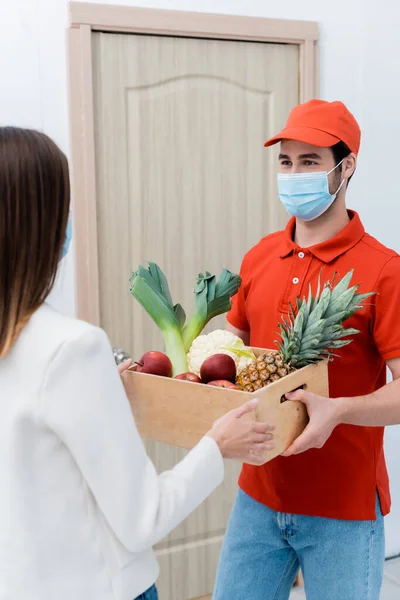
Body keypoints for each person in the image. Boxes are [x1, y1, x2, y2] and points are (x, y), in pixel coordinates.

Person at [0, 127, 275, 600]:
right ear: (42, 222)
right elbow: (142, 518)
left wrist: (98, 400)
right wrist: (217, 445)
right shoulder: (73, 349)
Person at [213, 99, 400, 600]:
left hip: (344, 507)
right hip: (258, 495)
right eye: (286, 162)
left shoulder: (384, 270)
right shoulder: (260, 256)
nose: (293, 174)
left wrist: (338, 409)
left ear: (347, 167)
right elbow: (230, 348)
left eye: (310, 162)